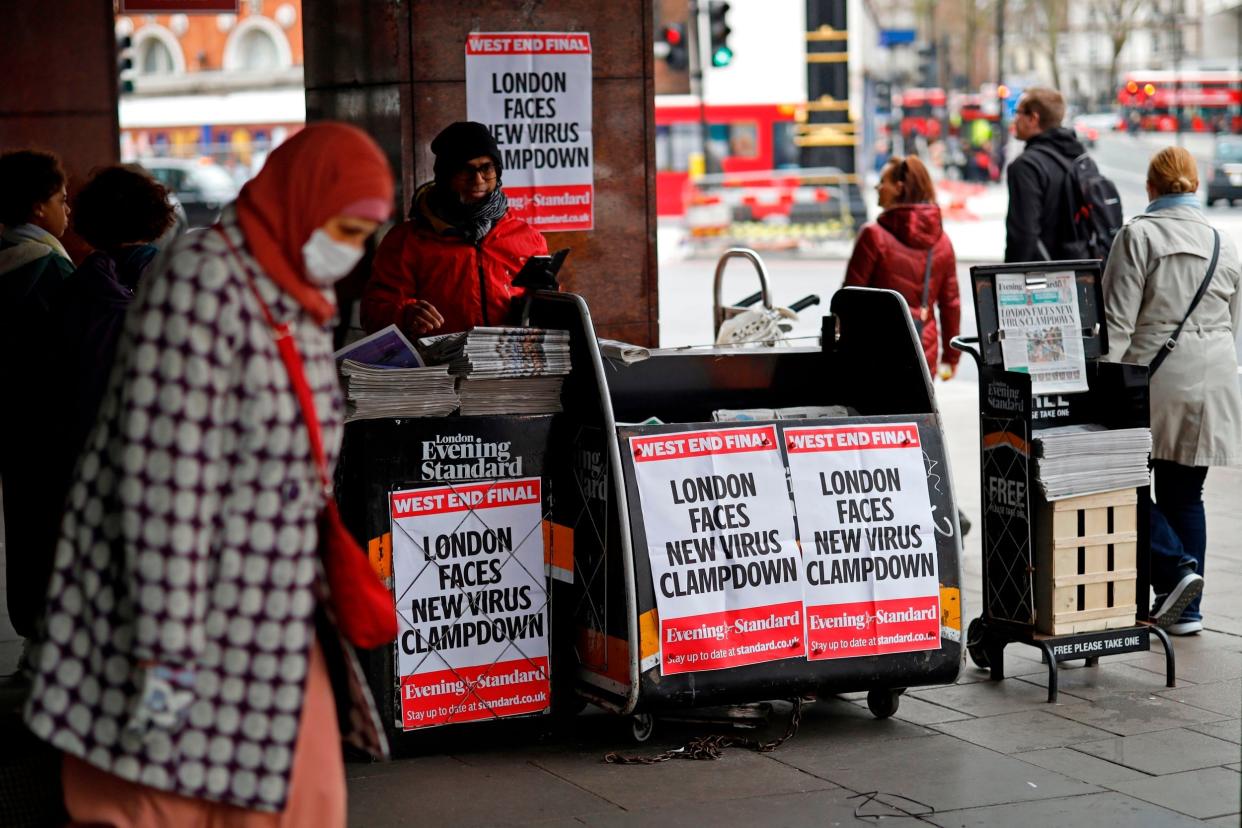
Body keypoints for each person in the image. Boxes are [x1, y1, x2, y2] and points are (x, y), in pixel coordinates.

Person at [23, 122, 396, 826]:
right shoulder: (203, 284)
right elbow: (162, 486)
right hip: (184, 629)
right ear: (296, 200)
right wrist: (165, 662)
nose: (346, 252)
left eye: (360, 236)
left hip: (264, 619)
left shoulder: (294, 298)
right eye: (341, 228)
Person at [1101, 146, 1242, 635]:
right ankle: (1188, 610)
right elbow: (1233, 325)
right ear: (1196, 187)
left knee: (1122, 484)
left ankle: (1175, 570)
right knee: (1186, 493)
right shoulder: (1226, 243)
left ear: (1151, 187)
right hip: (1215, 381)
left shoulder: (1138, 236)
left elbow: (1117, 326)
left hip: (1153, 380)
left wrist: (1102, 383)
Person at [360, 120, 548, 338]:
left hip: (510, 366)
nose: (477, 179)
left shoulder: (527, 238)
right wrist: (405, 315)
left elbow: (543, 315)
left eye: (486, 168)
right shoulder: (405, 241)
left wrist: (549, 298)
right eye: (465, 169)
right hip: (438, 369)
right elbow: (372, 313)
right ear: (445, 176)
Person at [0, 149, 76, 647]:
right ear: (37, 209)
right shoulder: (51, 269)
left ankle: (30, 627)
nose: (67, 211)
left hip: (12, 423)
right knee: (52, 529)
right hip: (53, 426)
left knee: (22, 525)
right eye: (61, 200)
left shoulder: (5, 259)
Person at [57, 164, 177, 462]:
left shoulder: (74, 285)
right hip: (153, 442)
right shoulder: (169, 277)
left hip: (86, 444)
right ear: (155, 213)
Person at [844, 155, 961, 381]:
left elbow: (849, 300)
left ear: (898, 188)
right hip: (922, 352)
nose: (877, 187)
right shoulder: (942, 242)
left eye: (882, 181)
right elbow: (950, 305)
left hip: (875, 352)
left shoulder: (872, 236)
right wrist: (951, 358)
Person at [1003, 87, 1089, 263]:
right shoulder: (1079, 158)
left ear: (1033, 118)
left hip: (1045, 279)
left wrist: (1008, 282)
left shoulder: (1027, 167)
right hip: (1081, 275)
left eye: (1018, 113)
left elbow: (1023, 236)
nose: (1015, 119)